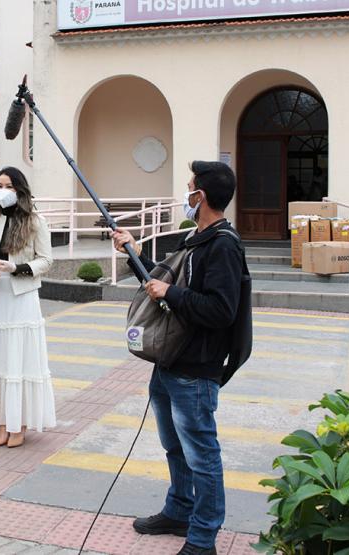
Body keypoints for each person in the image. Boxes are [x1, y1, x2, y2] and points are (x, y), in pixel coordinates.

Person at [111, 161, 244, 555]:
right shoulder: (197, 239)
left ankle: (203, 538)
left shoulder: (223, 245)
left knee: (202, 456)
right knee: (175, 447)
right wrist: (134, 252)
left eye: (189, 188)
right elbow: (162, 283)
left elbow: (222, 310)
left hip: (196, 370)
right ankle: (179, 511)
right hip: (170, 362)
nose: (186, 194)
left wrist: (171, 294)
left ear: (200, 196)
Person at [0, 166, 56, 448]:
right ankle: (3, 422)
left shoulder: (35, 221)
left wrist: (17, 268)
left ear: (20, 189)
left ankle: (20, 423)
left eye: (9, 186)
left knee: (21, 358)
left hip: (21, 295)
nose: (2, 191)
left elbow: (46, 260)